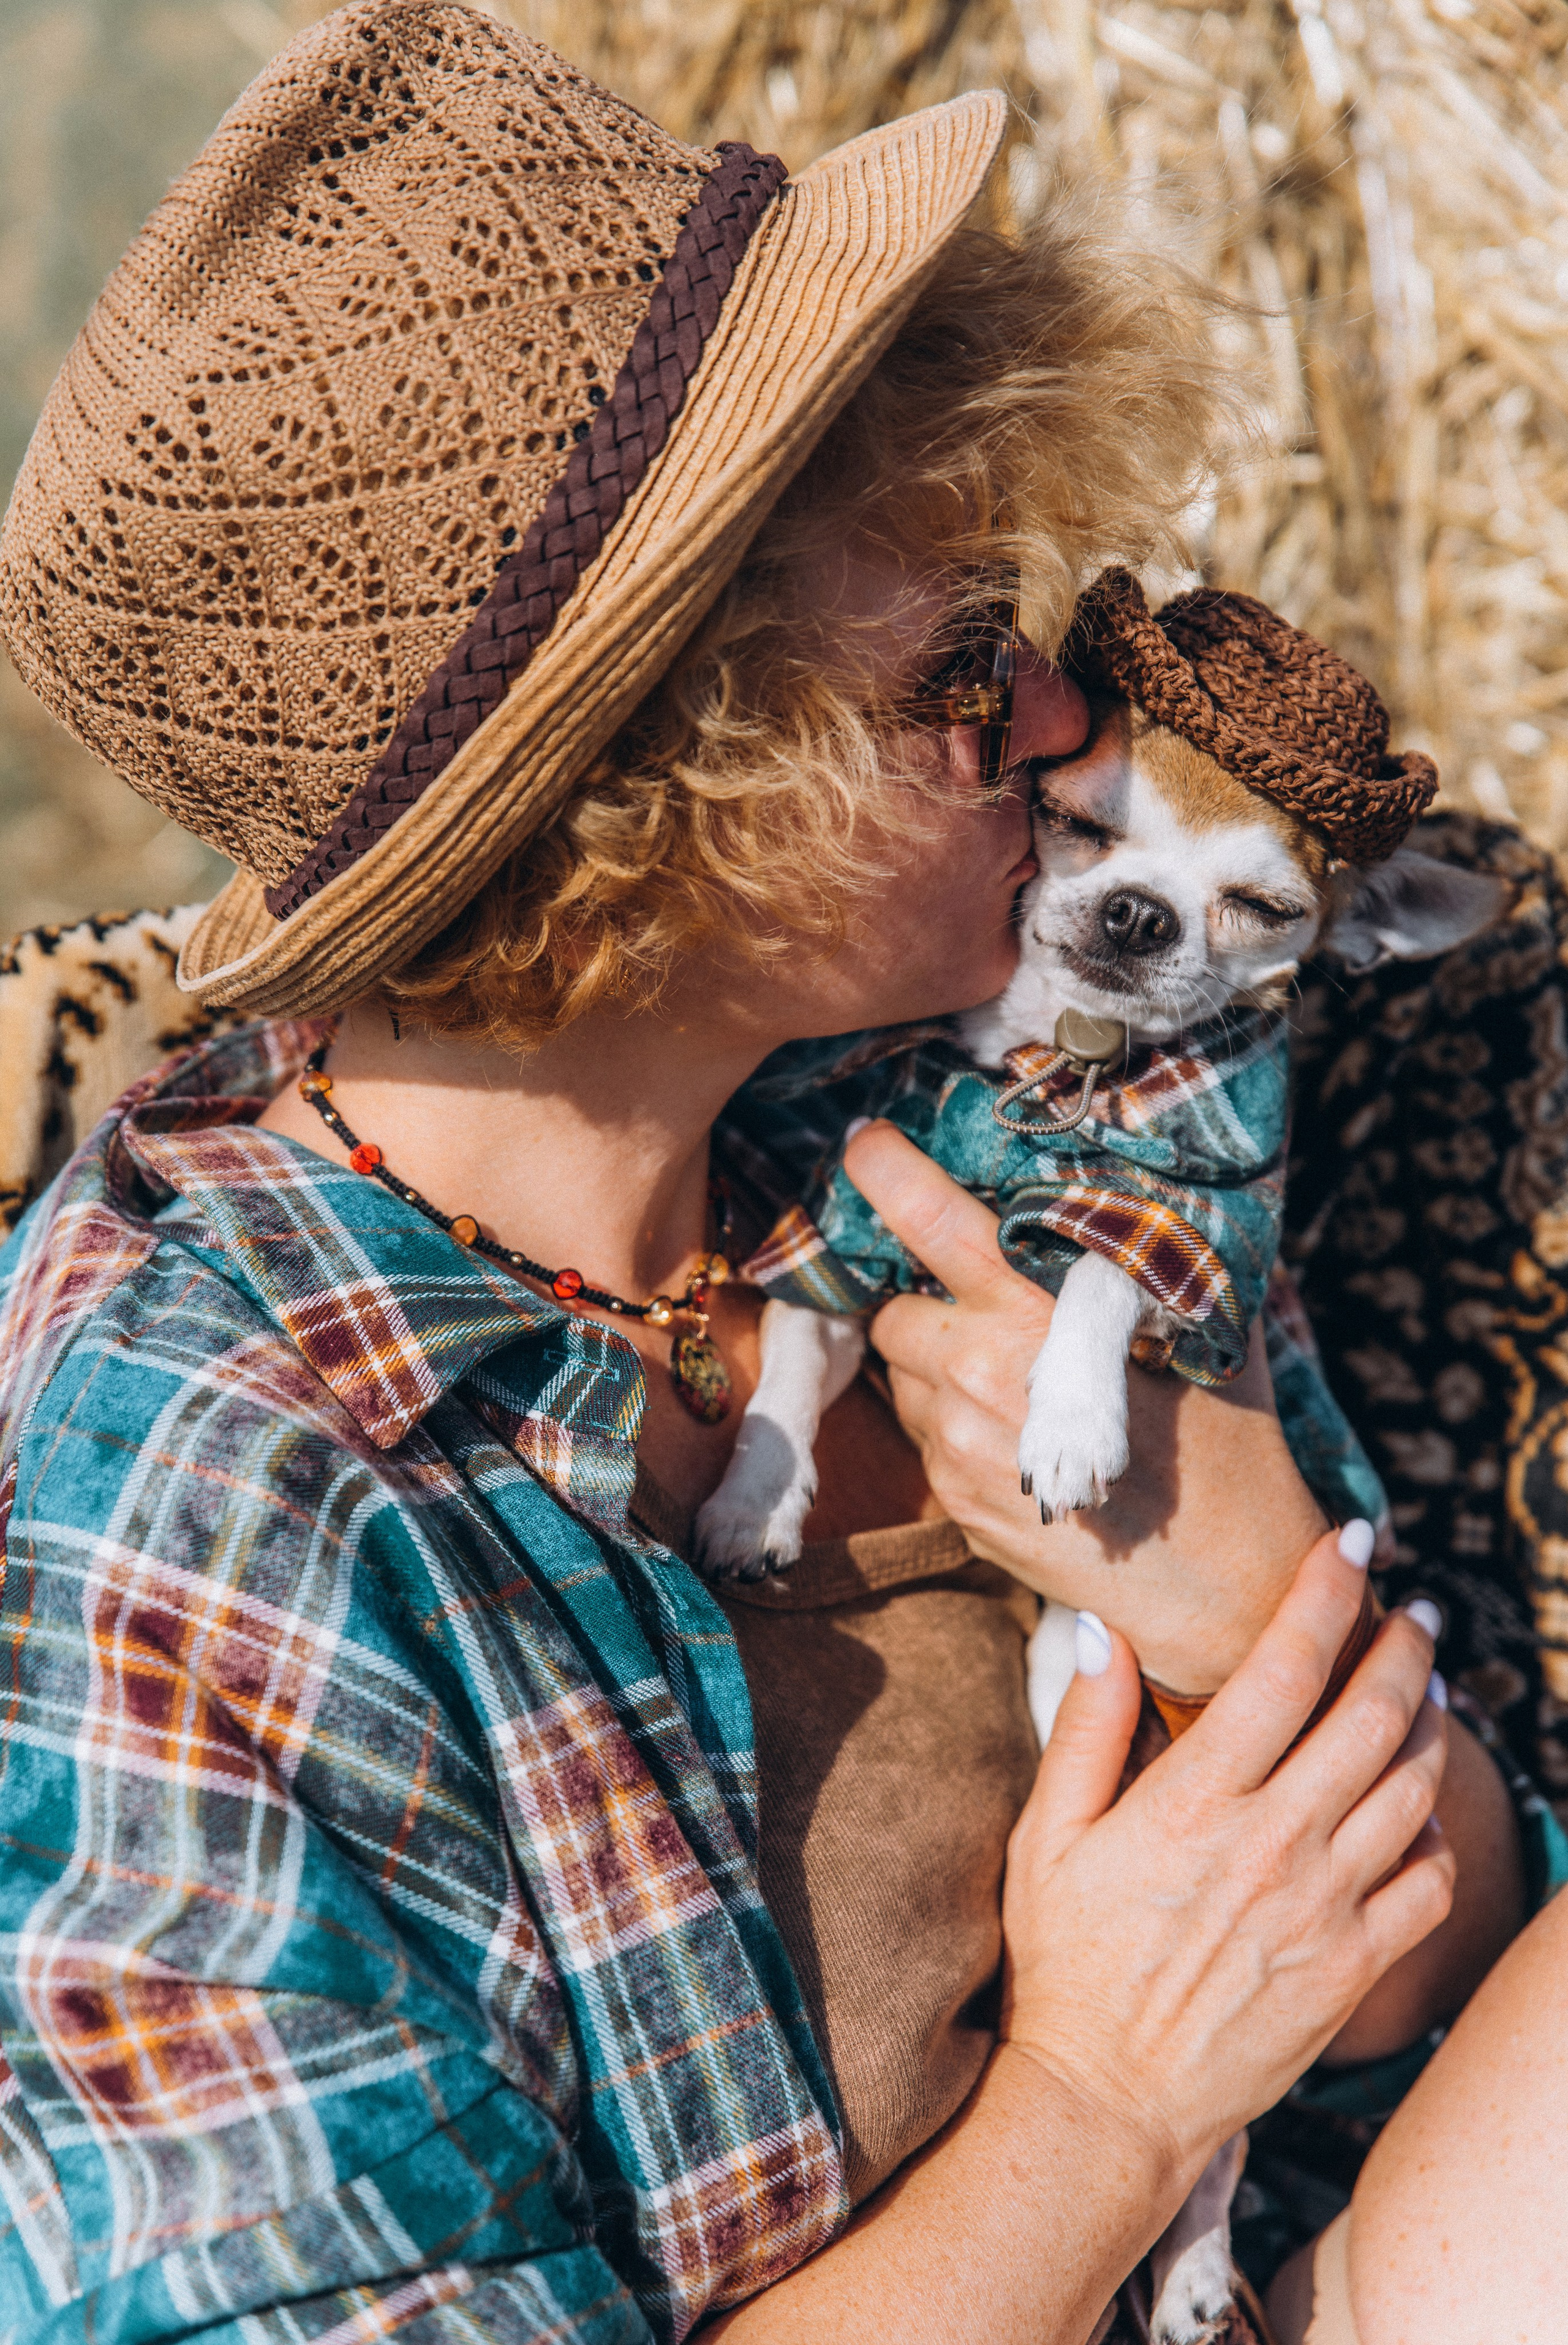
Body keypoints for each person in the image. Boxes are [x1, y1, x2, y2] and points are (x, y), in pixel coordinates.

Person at [0, 7, 1560, 2341]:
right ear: (653, 778)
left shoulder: (991, 1111)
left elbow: (1431, 1941)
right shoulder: (183, 1498)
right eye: (961, 661)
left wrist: (1256, 1610)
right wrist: (1104, 2104)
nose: (1058, 719)